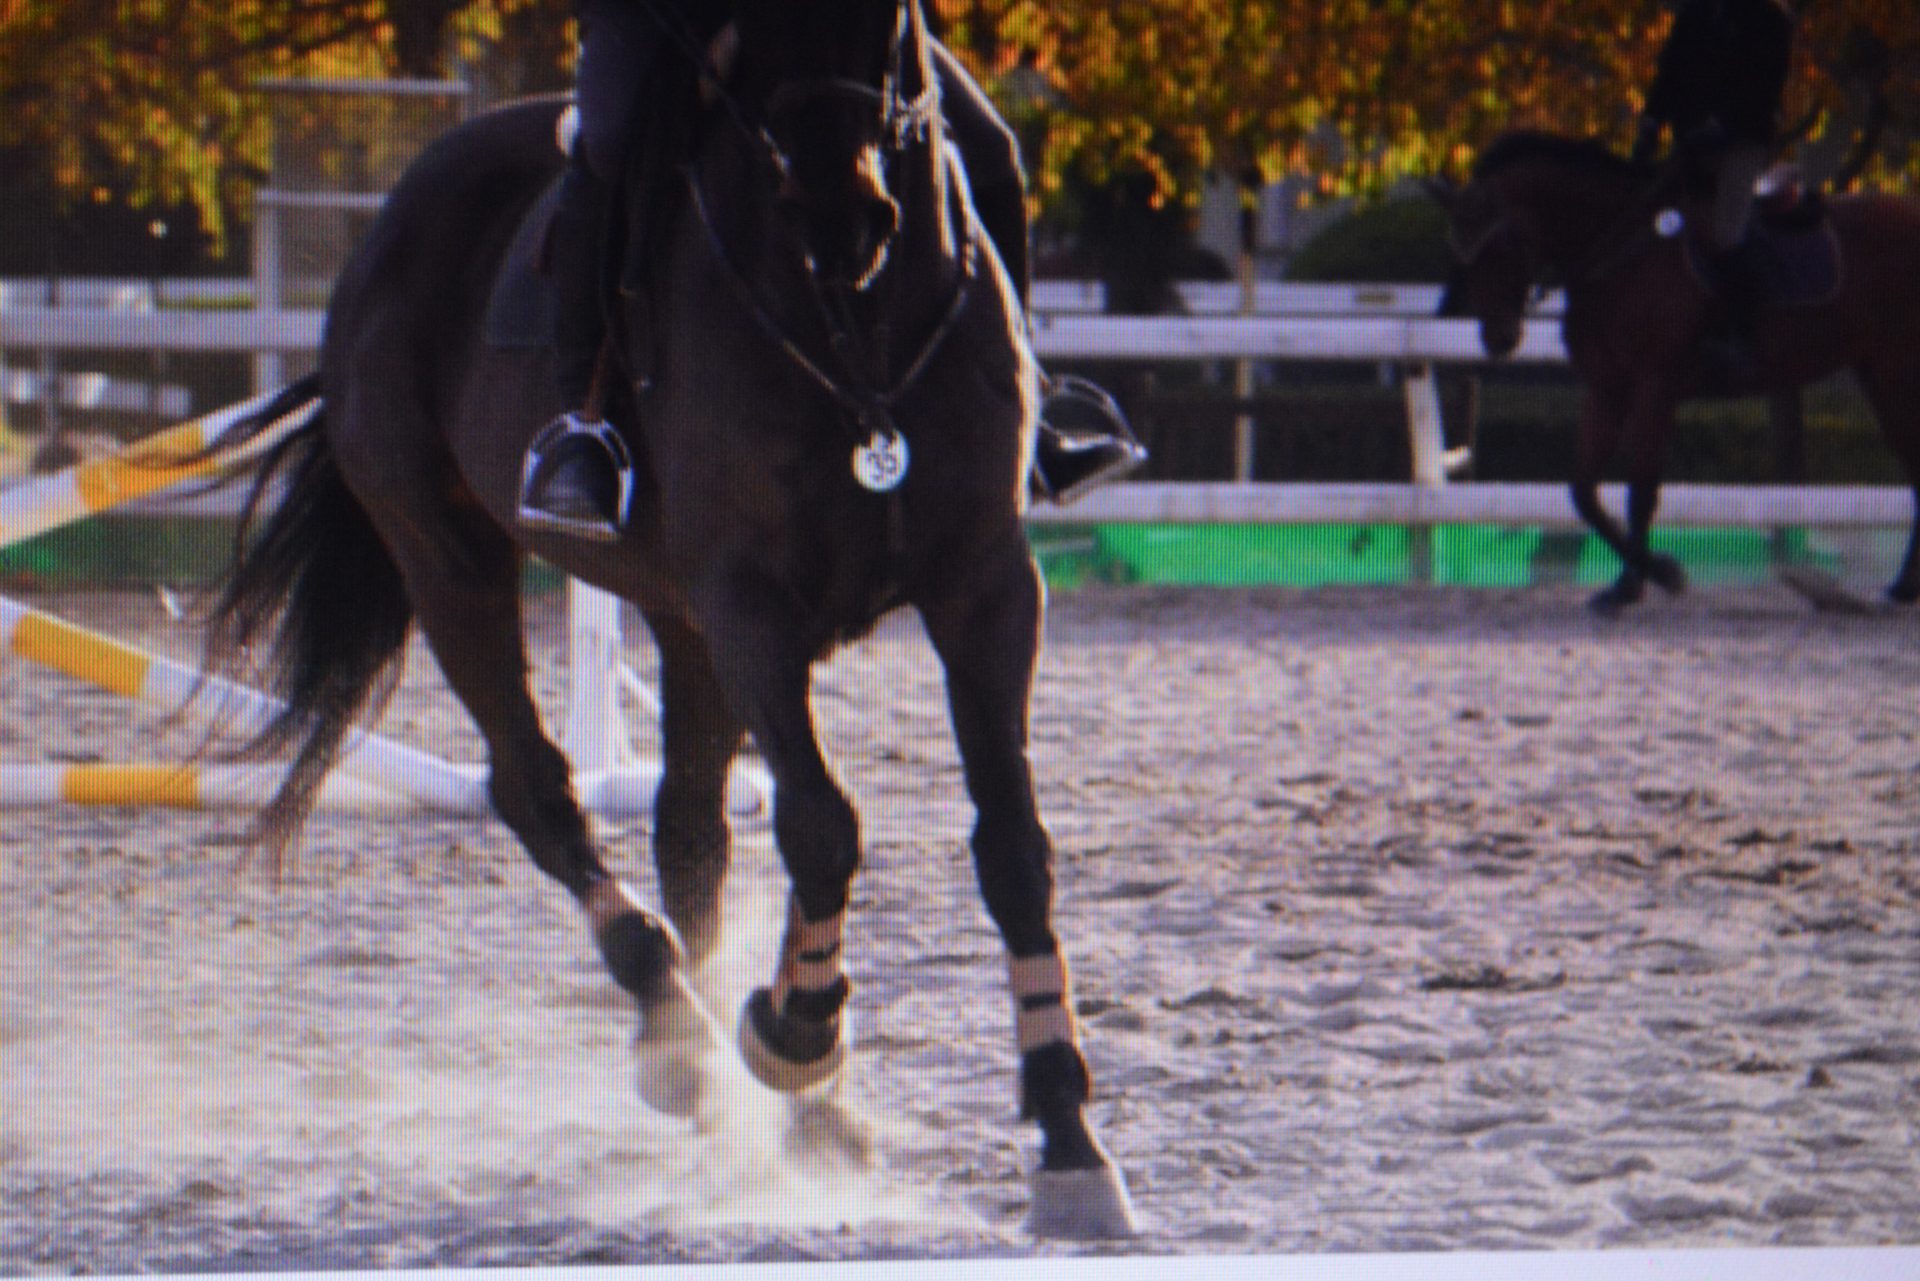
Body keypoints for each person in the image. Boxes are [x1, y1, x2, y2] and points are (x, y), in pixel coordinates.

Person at [518, 2, 1145, 542]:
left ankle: (1030, 411)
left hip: (828, 16)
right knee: (609, 140)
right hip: (666, 13)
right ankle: (584, 427)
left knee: (990, 148)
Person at [1629, 0, 1800, 376]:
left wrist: (1725, 125)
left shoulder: (1767, 18)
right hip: (1691, 143)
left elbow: (1764, 85)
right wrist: (1651, 122)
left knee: (1726, 230)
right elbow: (1670, 70)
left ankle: (1738, 335)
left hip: (1742, 143)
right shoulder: (1697, 13)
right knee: (1655, 222)